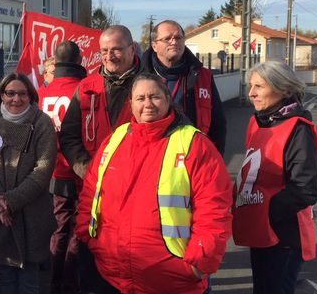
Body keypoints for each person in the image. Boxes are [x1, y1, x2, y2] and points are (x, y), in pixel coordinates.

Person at [76, 73, 233, 293]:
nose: (147, 104)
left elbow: (214, 208)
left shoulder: (194, 144)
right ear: (131, 104)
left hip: (173, 281)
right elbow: (91, 192)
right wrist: (89, 237)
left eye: (155, 97)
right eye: (140, 99)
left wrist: (199, 263)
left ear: (168, 99)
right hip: (113, 277)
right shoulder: (116, 139)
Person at [59, 25, 141, 293]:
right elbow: (69, 137)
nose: (109, 56)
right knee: (91, 269)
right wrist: (89, 170)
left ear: (132, 49)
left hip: (135, 196)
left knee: (130, 271)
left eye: (116, 49)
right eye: (104, 50)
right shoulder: (86, 87)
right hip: (91, 195)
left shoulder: (150, 87)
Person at [233, 61, 317, 294]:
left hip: (284, 236)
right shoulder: (257, 121)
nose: (251, 93)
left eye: (259, 86)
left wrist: (265, 212)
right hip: (259, 230)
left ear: (285, 90)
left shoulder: (298, 128)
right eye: (251, 85)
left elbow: (304, 189)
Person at [0, 73, 57, 294]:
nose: (16, 99)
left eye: (22, 94)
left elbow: (42, 170)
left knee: (29, 282)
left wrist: (10, 201)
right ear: (2, 94)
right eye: (10, 93)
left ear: (31, 96)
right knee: (6, 280)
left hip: (32, 214)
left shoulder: (42, 123)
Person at [38, 41, 86, 294]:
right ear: (79, 62)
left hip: (53, 171)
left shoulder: (41, 92)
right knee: (78, 232)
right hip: (80, 171)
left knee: (59, 229)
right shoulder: (85, 89)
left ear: (55, 64)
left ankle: (53, 284)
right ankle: (70, 285)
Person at [142, 20, 227, 154]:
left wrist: (215, 159)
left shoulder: (203, 76)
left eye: (178, 38)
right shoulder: (139, 77)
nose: (174, 42)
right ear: (154, 45)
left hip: (193, 156)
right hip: (150, 155)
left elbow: (218, 124)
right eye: (167, 39)